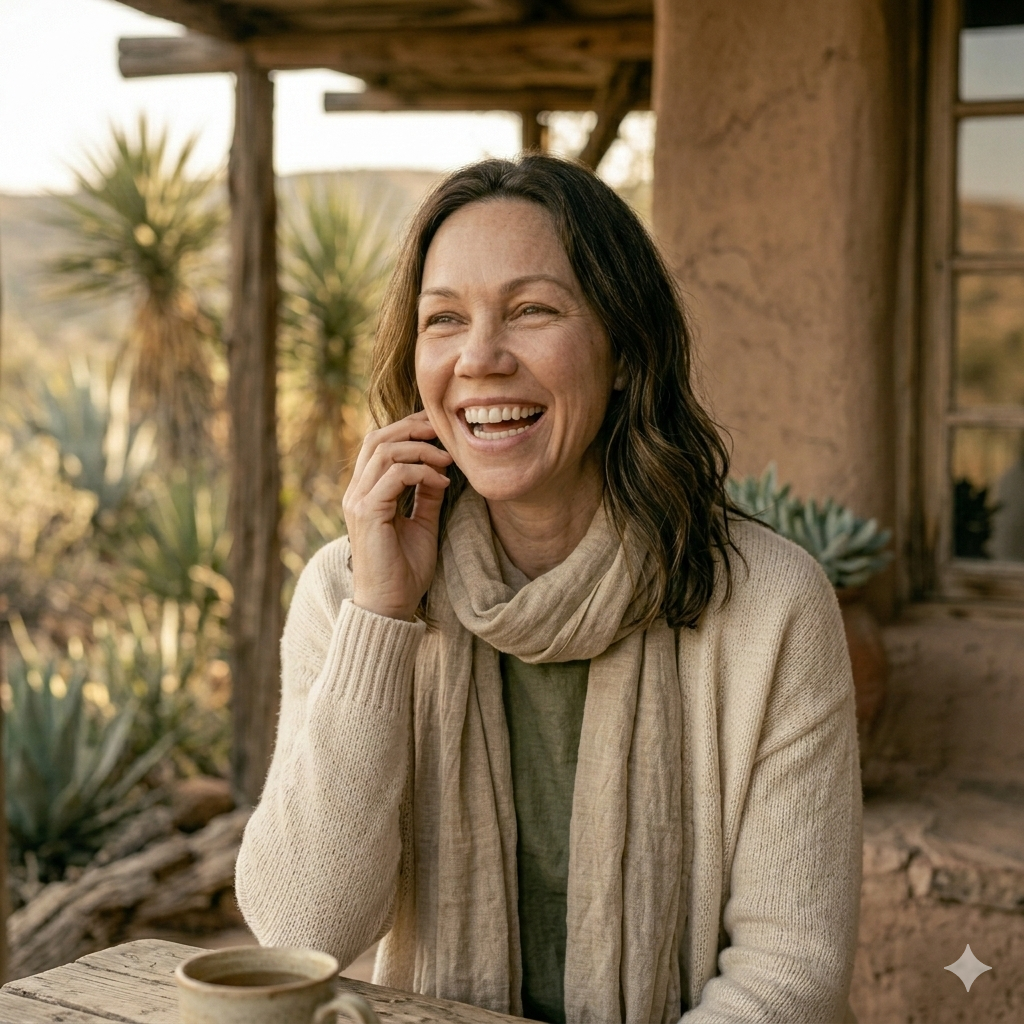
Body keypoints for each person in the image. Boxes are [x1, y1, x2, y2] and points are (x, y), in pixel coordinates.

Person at [235, 155, 862, 1024]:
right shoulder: (349, 587)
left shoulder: (770, 605)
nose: (480, 359)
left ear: (622, 351)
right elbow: (300, 929)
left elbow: (788, 974)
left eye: (532, 310)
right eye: (444, 319)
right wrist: (381, 618)